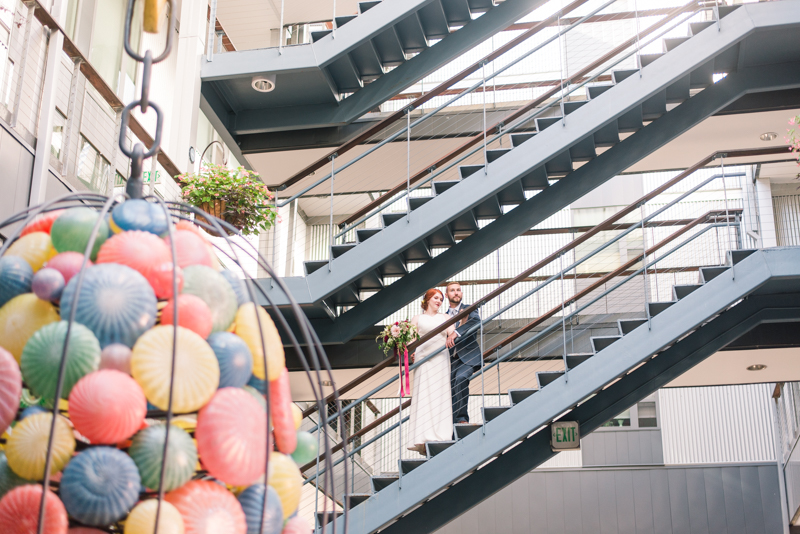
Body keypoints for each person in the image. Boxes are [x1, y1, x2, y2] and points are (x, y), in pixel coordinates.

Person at [406, 288, 455, 454]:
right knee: (424, 395)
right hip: (423, 359)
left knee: (439, 395)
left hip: (440, 358)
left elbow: (452, 332)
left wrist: (451, 336)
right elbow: (412, 339)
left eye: (441, 299)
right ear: (427, 300)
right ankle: (422, 436)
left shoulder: (445, 317)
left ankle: (441, 435)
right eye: (436, 298)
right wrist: (411, 351)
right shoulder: (417, 318)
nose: (439, 301)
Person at [445, 282, 481, 424]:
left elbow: (476, 321)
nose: (456, 293)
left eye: (458, 290)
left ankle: (461, 419)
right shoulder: (443, 316)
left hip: (469, 357)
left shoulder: (469, 309)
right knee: (452, 391)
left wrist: (456, 333)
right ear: (447, 295)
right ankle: (453, 428)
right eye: (452, 290)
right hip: (450, 360)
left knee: (461, 379)